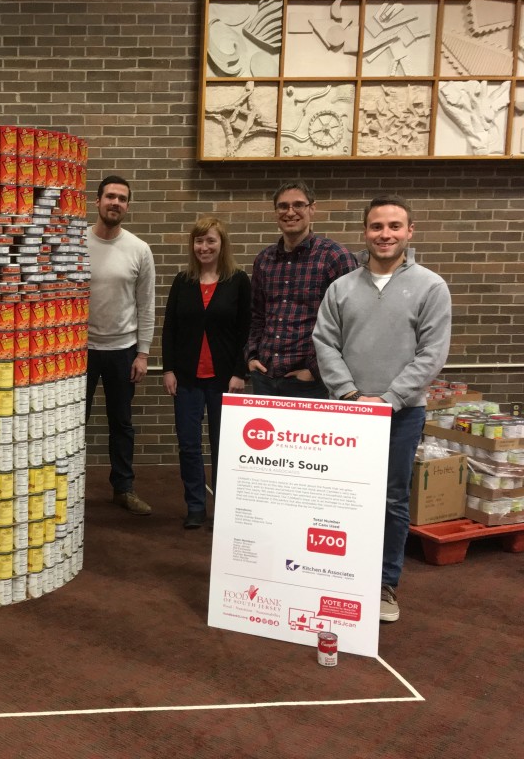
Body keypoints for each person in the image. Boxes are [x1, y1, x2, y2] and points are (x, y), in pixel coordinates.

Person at [313, 195, 451, 623]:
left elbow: (432, 354)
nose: (385, 234)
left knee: (392, 500)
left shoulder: (430, 287)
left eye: (394, 226)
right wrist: (352, 397)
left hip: (402, 415)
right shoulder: (342, 288)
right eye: (377, 227)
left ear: (410, 232)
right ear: (365, 233)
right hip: (348, 413)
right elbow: (325, 343)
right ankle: (341, 573)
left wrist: (388, 401)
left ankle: (385, 583)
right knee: (343, 496)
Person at [162, 217, 251, 530]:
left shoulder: (238, 281)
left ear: (221, 244)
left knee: (223, 446)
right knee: (188, 445)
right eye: (199, 241)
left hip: (224, 379)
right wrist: (169, 368)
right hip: (186, 378)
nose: (204, 247)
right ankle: (196, 507)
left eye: (210, 241)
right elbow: (170, 327)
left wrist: (241, 372)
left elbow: (246, 331)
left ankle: (225, 509)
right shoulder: (182, 281)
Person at [245, 181, 357, 398]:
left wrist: (315, 370)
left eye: (298, 205)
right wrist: (251, 357)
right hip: (265, 375)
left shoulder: (335, 257)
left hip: (310, 382)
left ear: (312, 209)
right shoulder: (264, 260)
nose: (290, 212)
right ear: (275, 211)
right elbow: (257, 315)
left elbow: (349, 323)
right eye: (283, 206)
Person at [85, 175, 156, 515]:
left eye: (122, 199)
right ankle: (65, 490)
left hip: (122, 350)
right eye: (110, 196)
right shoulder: (75, 243)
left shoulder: (139, 249)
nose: (115, 202)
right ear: (97, 201)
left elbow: (147, 304)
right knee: (73, 422)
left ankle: (123, 489)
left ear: (127, 206)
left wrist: (142, 353)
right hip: (78, 351)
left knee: (122, 423)